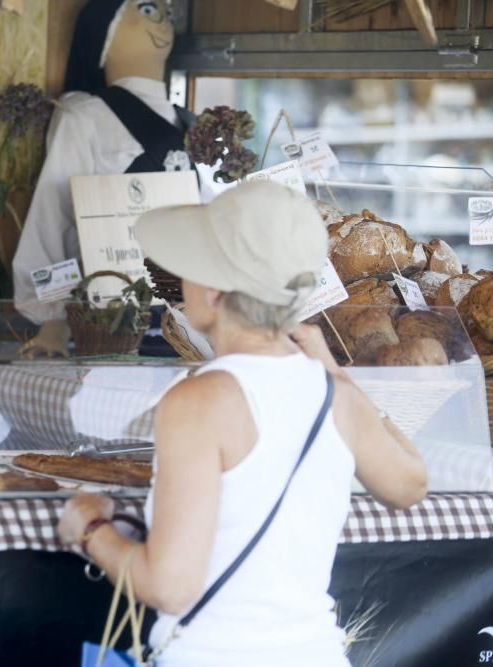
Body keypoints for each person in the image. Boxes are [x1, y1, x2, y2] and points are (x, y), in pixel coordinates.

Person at [57, 181, 428, 666]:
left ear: (213, 290)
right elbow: (410, 483)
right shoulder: (331, 391)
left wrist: (90, 530)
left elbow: (170, 587)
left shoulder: (200, 400)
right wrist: (337, 374)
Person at [13, 0, 211, 358]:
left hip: (191, 330)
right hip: (109, 328)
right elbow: (52, 221)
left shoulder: (194, 125)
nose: (164, 21)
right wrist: (53, 321)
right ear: (103, 30)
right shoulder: (83, 116)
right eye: (148, 9)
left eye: (167, 11)